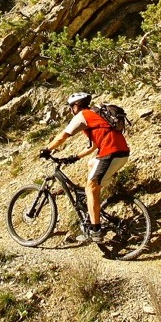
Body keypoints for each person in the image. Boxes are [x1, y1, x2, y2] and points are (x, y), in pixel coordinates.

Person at [40, 92, 130, 243]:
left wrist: (47, 149)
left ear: (76, 106)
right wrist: (74, 157)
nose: (70, 111)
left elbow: (63, 136)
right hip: (121, 152)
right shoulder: (95, 115)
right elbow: (93, 146)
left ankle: (96, 231)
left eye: (71, 107)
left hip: (111, 153)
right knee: (91, 164)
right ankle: (92, 205)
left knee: (91, 188)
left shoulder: (82, 116)